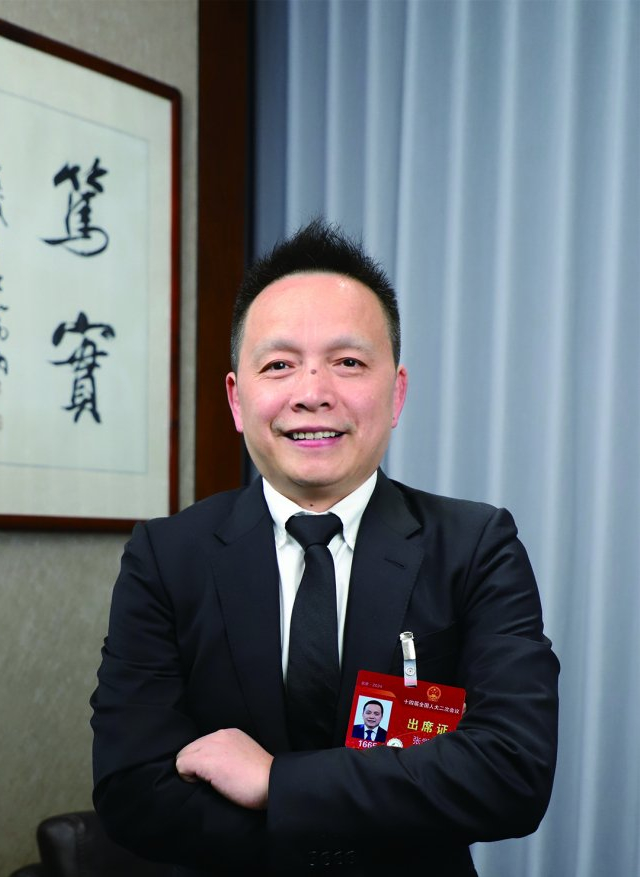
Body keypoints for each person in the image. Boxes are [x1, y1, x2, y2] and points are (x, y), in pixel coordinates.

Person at [90, 219, 559, 876]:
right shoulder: (167, 557)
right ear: (237, 398)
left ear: (396, 393)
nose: (312, 394)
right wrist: (371, 822)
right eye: (279, 365)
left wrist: (275, 783)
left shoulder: (475, 547)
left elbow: (511, 772)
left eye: (348, 362)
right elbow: (132, 787)